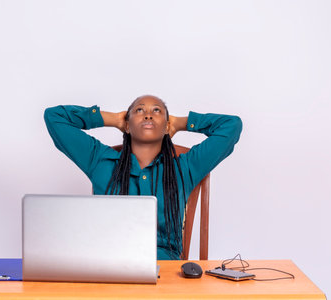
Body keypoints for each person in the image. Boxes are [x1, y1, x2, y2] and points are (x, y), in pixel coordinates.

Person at [44, 95, 242, 260]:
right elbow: (54, 117)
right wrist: (112, 119)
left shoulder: (185, 167)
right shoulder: (99, 160)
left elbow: (231, 126)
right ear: (127, 125)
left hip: (165, 272)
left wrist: (181, 123)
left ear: (166, 127)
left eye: (157, 111)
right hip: (108, 264)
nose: (148, 114)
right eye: (139, 110)